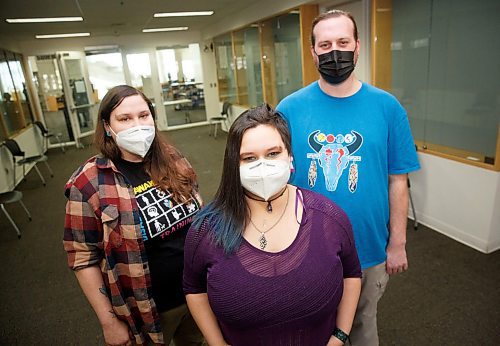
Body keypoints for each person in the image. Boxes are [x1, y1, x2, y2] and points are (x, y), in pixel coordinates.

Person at [276, 10, 421, 346]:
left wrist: (397, 243)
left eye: (342, 42)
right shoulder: (289, 109)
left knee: (362, 325)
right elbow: (277, 179)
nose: (334, 52)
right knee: (309, 325)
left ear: (357, 47)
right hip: (306, 248)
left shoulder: (387, 107)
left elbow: (398, 180)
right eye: (324, 44)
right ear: (313, 52)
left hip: (368, 247)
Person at [183, 104, 362, 346]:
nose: (263, 166)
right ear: (234, 165)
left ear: (290, 157)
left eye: (273, 154)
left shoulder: (330, 218)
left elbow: (352, 274)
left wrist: (340, 336)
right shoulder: (206, 229)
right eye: (249, 158)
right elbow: (194, 288)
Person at [63, 85, 204, 345]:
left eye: (143, 115)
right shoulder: (89, 182)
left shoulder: (173, 159)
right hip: (148, 310)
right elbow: (83, 257)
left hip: (198, 294)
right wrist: (108, 321)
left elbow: (199, 217)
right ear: (107, 126)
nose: (137, 125)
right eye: (125, 119)